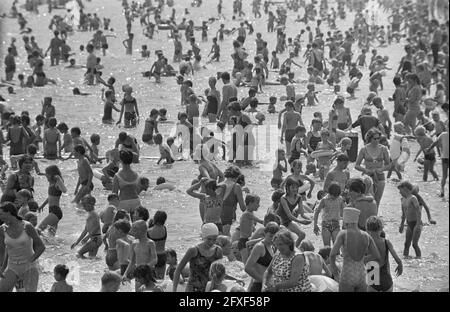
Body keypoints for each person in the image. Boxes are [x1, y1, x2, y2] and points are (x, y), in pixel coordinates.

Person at [329, 208, 380, 292]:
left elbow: (332, 254)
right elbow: (377, 256)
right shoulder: (366, 235)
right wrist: (363, 259)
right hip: (361, 274)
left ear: (346, 220)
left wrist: (334, 271)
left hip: (347, 274)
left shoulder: (343, 234)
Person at [0, 202, 45, 292]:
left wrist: (30, 261)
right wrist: (2, 267)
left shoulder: (27, 226)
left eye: (1, 214)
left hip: (29, 266)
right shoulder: (2, 229)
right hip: (12, 267)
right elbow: (4, 250)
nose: (0, 217)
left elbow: (41, 247)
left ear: (9, 212)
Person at [172, 223, 223, 292]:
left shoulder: (218, 251)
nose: (212, 242)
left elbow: (221, 272)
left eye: (214, 239)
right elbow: (178, 270)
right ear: (203, 237)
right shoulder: (194, 250)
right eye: (209, 239)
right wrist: (174, 290)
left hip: (210, 288)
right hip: (193, 289)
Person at [355, 127, 391, 207]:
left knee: (377, 199)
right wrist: (365, 170)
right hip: (367, 177)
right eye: (375, 139)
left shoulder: (384, 149)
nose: (377, 140)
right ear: (370, 138)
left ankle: (375, 218)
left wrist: (381, 169)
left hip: (380, 176)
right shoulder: (364, 149)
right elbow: (356, 165)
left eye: (378, 138)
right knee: (368, 199)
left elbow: (388, 165)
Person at [365, 216, 403, 292]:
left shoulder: (366, 242)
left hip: (373, 277)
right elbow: (397, 259)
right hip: (386, 278)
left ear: (367, 229)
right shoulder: (386, 242)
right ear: (381, 228)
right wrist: (400, 265)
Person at [277, 177, 311, 247]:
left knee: (302, 235)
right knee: (286, 240)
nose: (295, 189)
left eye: (296, 187)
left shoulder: (299, 197)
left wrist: (309, 219)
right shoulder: (283, 198)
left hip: (288, 221)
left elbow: (302, 214)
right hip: (278, 221)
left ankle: (294, 250)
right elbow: (289, 215)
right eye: (293, 187)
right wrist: (301, 222)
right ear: (288, 188)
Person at [122, 220, 157, 290]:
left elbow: (155, 259)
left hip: (148, 274)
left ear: (142, 231)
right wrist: (125, 274)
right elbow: (132, 262)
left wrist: (145, 267)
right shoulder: (134, 243)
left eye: (134, 230)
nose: (132, 232)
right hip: (138, 275)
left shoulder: (150, 243)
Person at [245, 222, 279, 292]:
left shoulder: (272, 247)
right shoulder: (260, 247)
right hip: (258, 285)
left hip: (268, 286)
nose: (272, 239)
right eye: (270, 236)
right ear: (265, 233)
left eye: (275, 237)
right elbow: (247, 268)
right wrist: (263, 281)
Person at [37, 165, 66, 235]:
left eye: (47, 174)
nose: (46, 175)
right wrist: (42, 206)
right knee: (51, 237)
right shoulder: (51, 183)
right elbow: (50, 197)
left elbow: (64, 190)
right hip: (52, 211)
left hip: (55, 212)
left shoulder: (57, 183)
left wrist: (59, 179)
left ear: (52, 174)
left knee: (38, 230)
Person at [313, 182, 345, 247]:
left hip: (336, 224)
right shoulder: (324, 200)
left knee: (337, 247)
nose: (335, 197)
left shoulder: (340, 199)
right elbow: (317, 212)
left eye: (336, 196)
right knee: (327, 247)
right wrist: (315, 225)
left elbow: (345, 210)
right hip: (325, 225)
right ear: (329, 193)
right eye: (333, 196)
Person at [112, 150, 141, 215]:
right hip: (136, 201)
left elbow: (114, 194)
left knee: (121, 224)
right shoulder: (136, 175)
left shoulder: (117, 175)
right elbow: (138, 190)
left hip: (123, 202)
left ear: (121, 160)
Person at [398, 181, 422, 259]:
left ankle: (419, 259)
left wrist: (418, 225)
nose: (399, 192)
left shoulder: (413, 198)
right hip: (409, 223)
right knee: (406, 243)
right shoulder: (402, 199)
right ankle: (405, 259)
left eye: (400, 190)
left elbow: (418, 211)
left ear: (405, 189)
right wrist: (401, 224)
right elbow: (403, 213)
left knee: (414, 244)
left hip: (416, 223)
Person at [220, 165, 246, 236]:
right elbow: (243, 207)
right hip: (227, 216)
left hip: (215, 215)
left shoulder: (219, 184)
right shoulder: (236, 186)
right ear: (237, 176)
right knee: (225, 238)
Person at [238, 194, 263, 263]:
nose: (259, 205)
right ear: (250, 203)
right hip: (243, 241)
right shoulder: (247, 214)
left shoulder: (251, 213)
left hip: (248, 240)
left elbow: (251, 227)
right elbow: (261, 221)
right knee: (245, 263)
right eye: (257, 203)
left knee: (248, 262)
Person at [427, 129, 449, 197]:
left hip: (445, 157)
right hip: (445, 157)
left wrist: (429, 148)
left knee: (444, 175)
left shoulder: (443, 134)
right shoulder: (443, 134)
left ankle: (442, 191)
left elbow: (435, 142)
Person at [147, 210, 168, 279]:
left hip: (153, 256)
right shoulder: (164, 229)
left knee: (152, 279)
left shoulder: (149, 231)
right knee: (161, 279)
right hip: (163, 255)